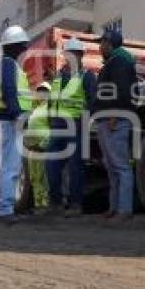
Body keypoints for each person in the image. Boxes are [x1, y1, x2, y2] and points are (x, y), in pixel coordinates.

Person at [47, 38, 96, 217]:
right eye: (69, 54)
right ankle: (56, 203)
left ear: (80, 56)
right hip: (57, 126)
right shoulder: (58, 78)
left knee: (76, 167)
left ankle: (76, 204)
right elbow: (52, 102)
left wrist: (84, 121)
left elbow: (93, 101)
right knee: (51, 166)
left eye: (75, 54)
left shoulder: (86, 76)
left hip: (76, 126)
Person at [92, 29, 138, 221]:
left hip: (114, 120)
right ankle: (114, 207)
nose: (100, 47)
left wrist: (115, 115)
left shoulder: (119, 62)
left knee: (120, 166)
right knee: (112, 167)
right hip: (107, 120)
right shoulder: (113, 62)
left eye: (102, 43)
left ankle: (124, 210)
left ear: (110, 44)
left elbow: (123, 91)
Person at [0, 25, 33, 224]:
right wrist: (17, 114)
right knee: (10, 167)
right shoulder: (9, 64)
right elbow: (9, 90)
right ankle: (5, 210)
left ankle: (6, 208)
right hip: (10, 120)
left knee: (12, 166)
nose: (25, 48)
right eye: (22, 45)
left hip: (10, 119)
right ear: (15, 46)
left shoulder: (9, 65)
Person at [25, 82, 51, 214]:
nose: (41, 94)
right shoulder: (36, 109)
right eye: (39, 91)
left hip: (42, 148)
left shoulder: (50, 109)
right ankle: (38, 204)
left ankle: (45, 204)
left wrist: (42, 145)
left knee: (43, 177)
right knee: (34, 177)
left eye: (44, 91)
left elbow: (52, 129)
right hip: (32, 148)